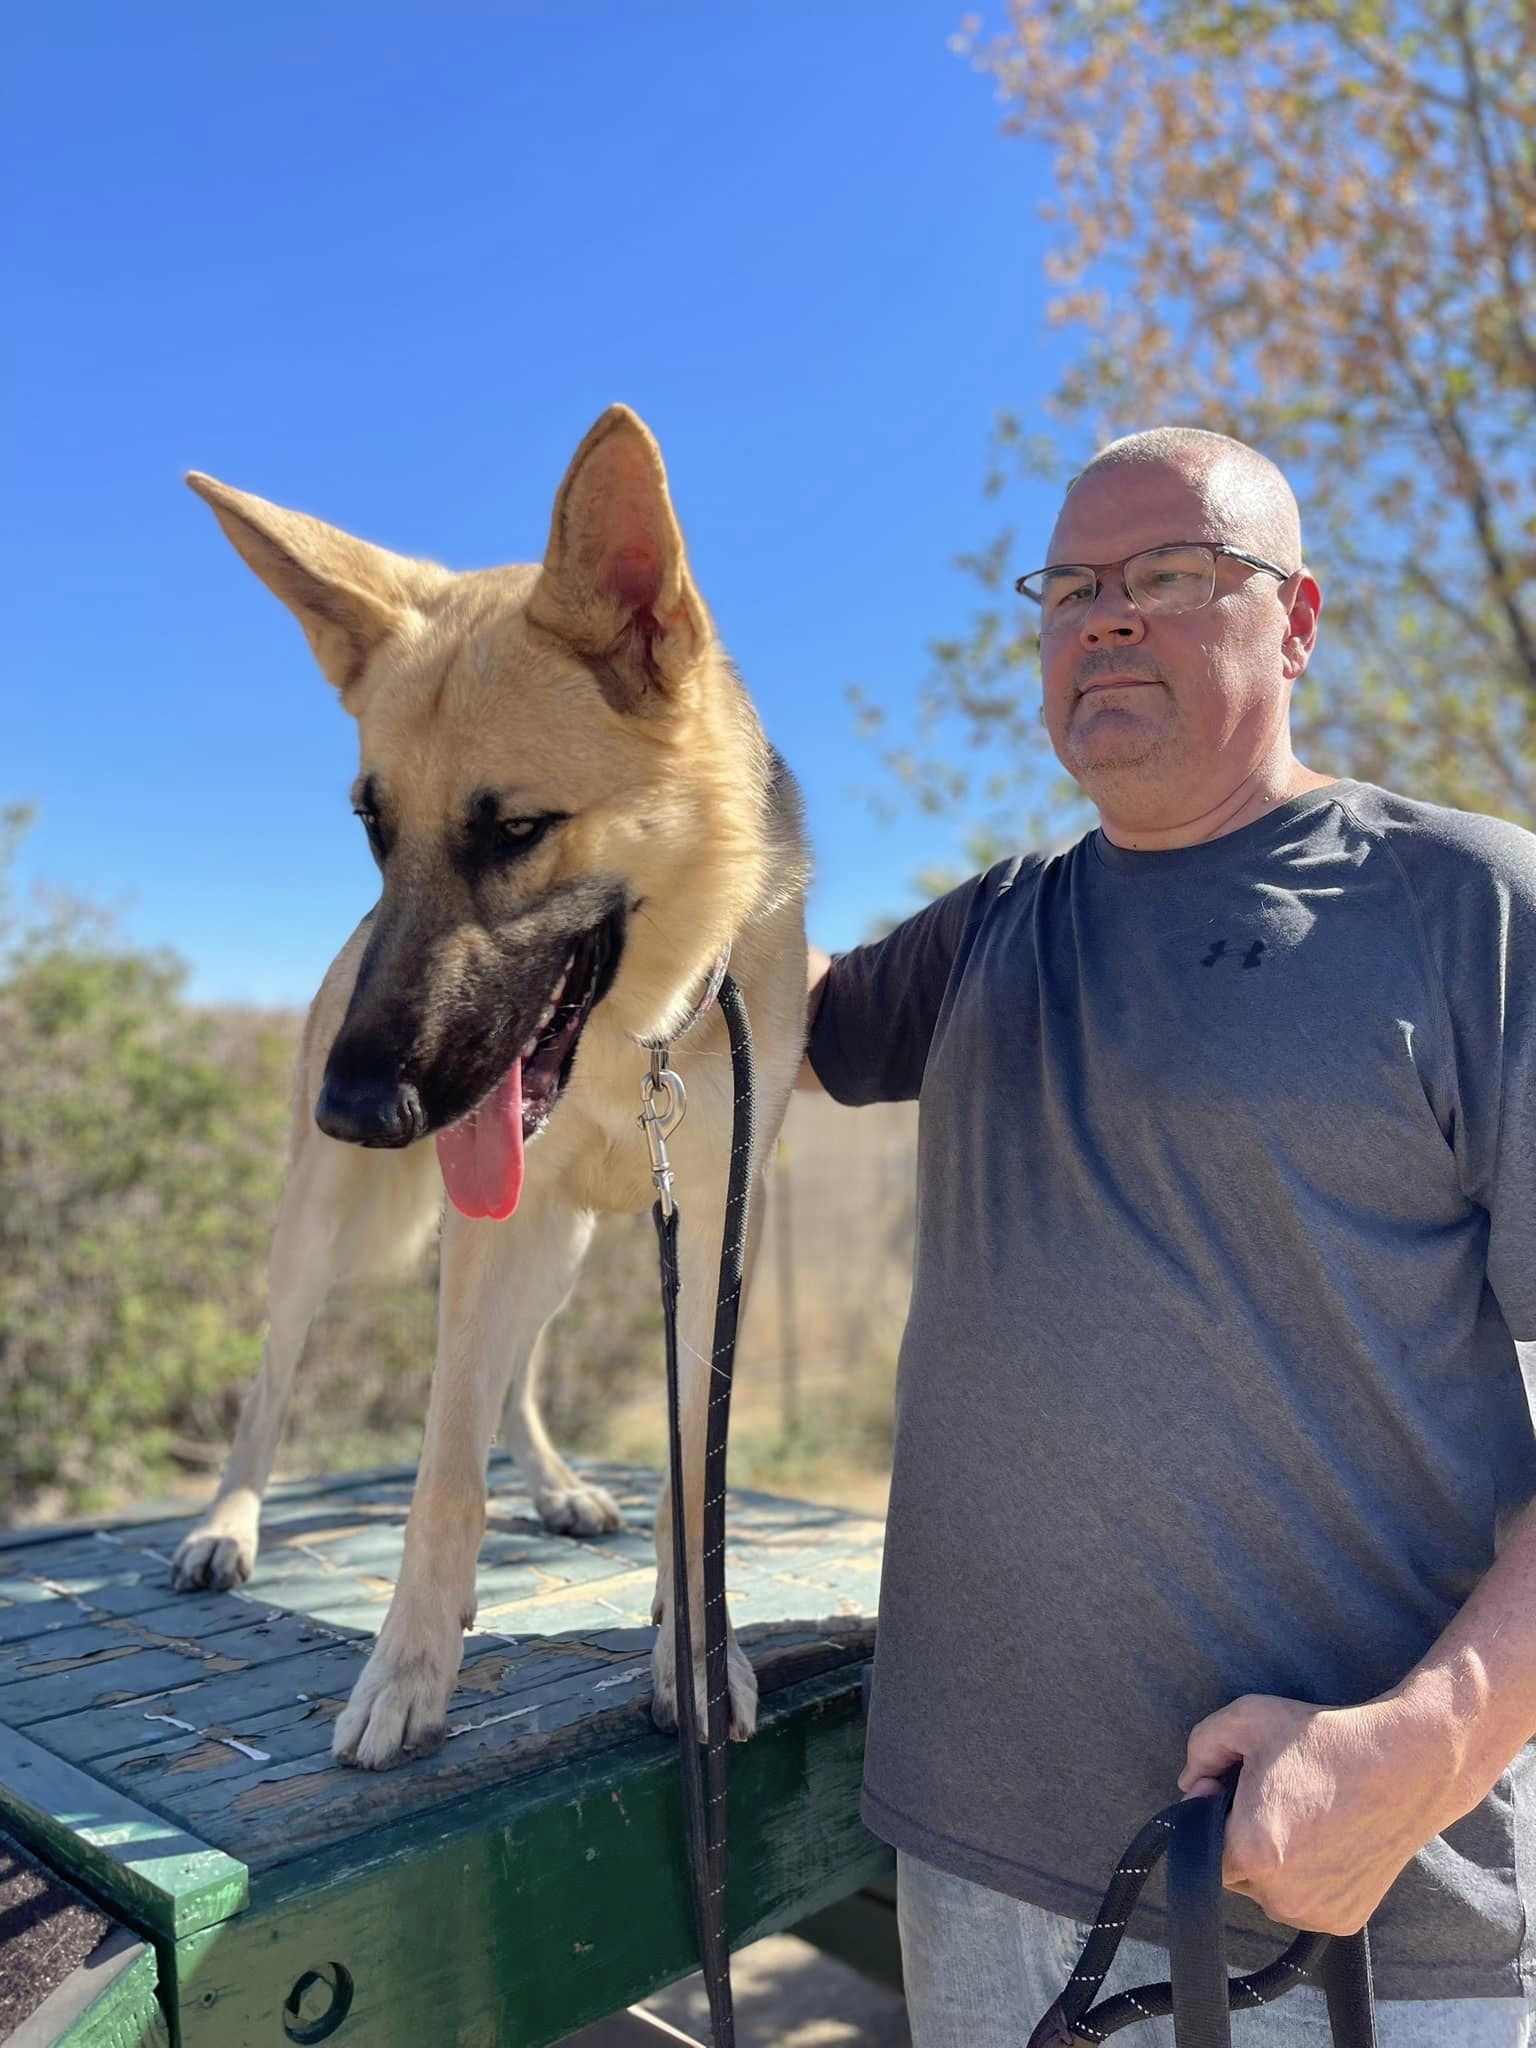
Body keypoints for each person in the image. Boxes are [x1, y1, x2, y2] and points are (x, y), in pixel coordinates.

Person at [798, 427, 1536, 2045]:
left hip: (1337, 1904)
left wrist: (1432, 1744)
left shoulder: (1471, 911)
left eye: (1173, 573)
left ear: (1298, 620)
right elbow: (766, 1020)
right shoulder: (994, 926)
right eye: (1070, 589)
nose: (1107, 615)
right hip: (971, 1876)